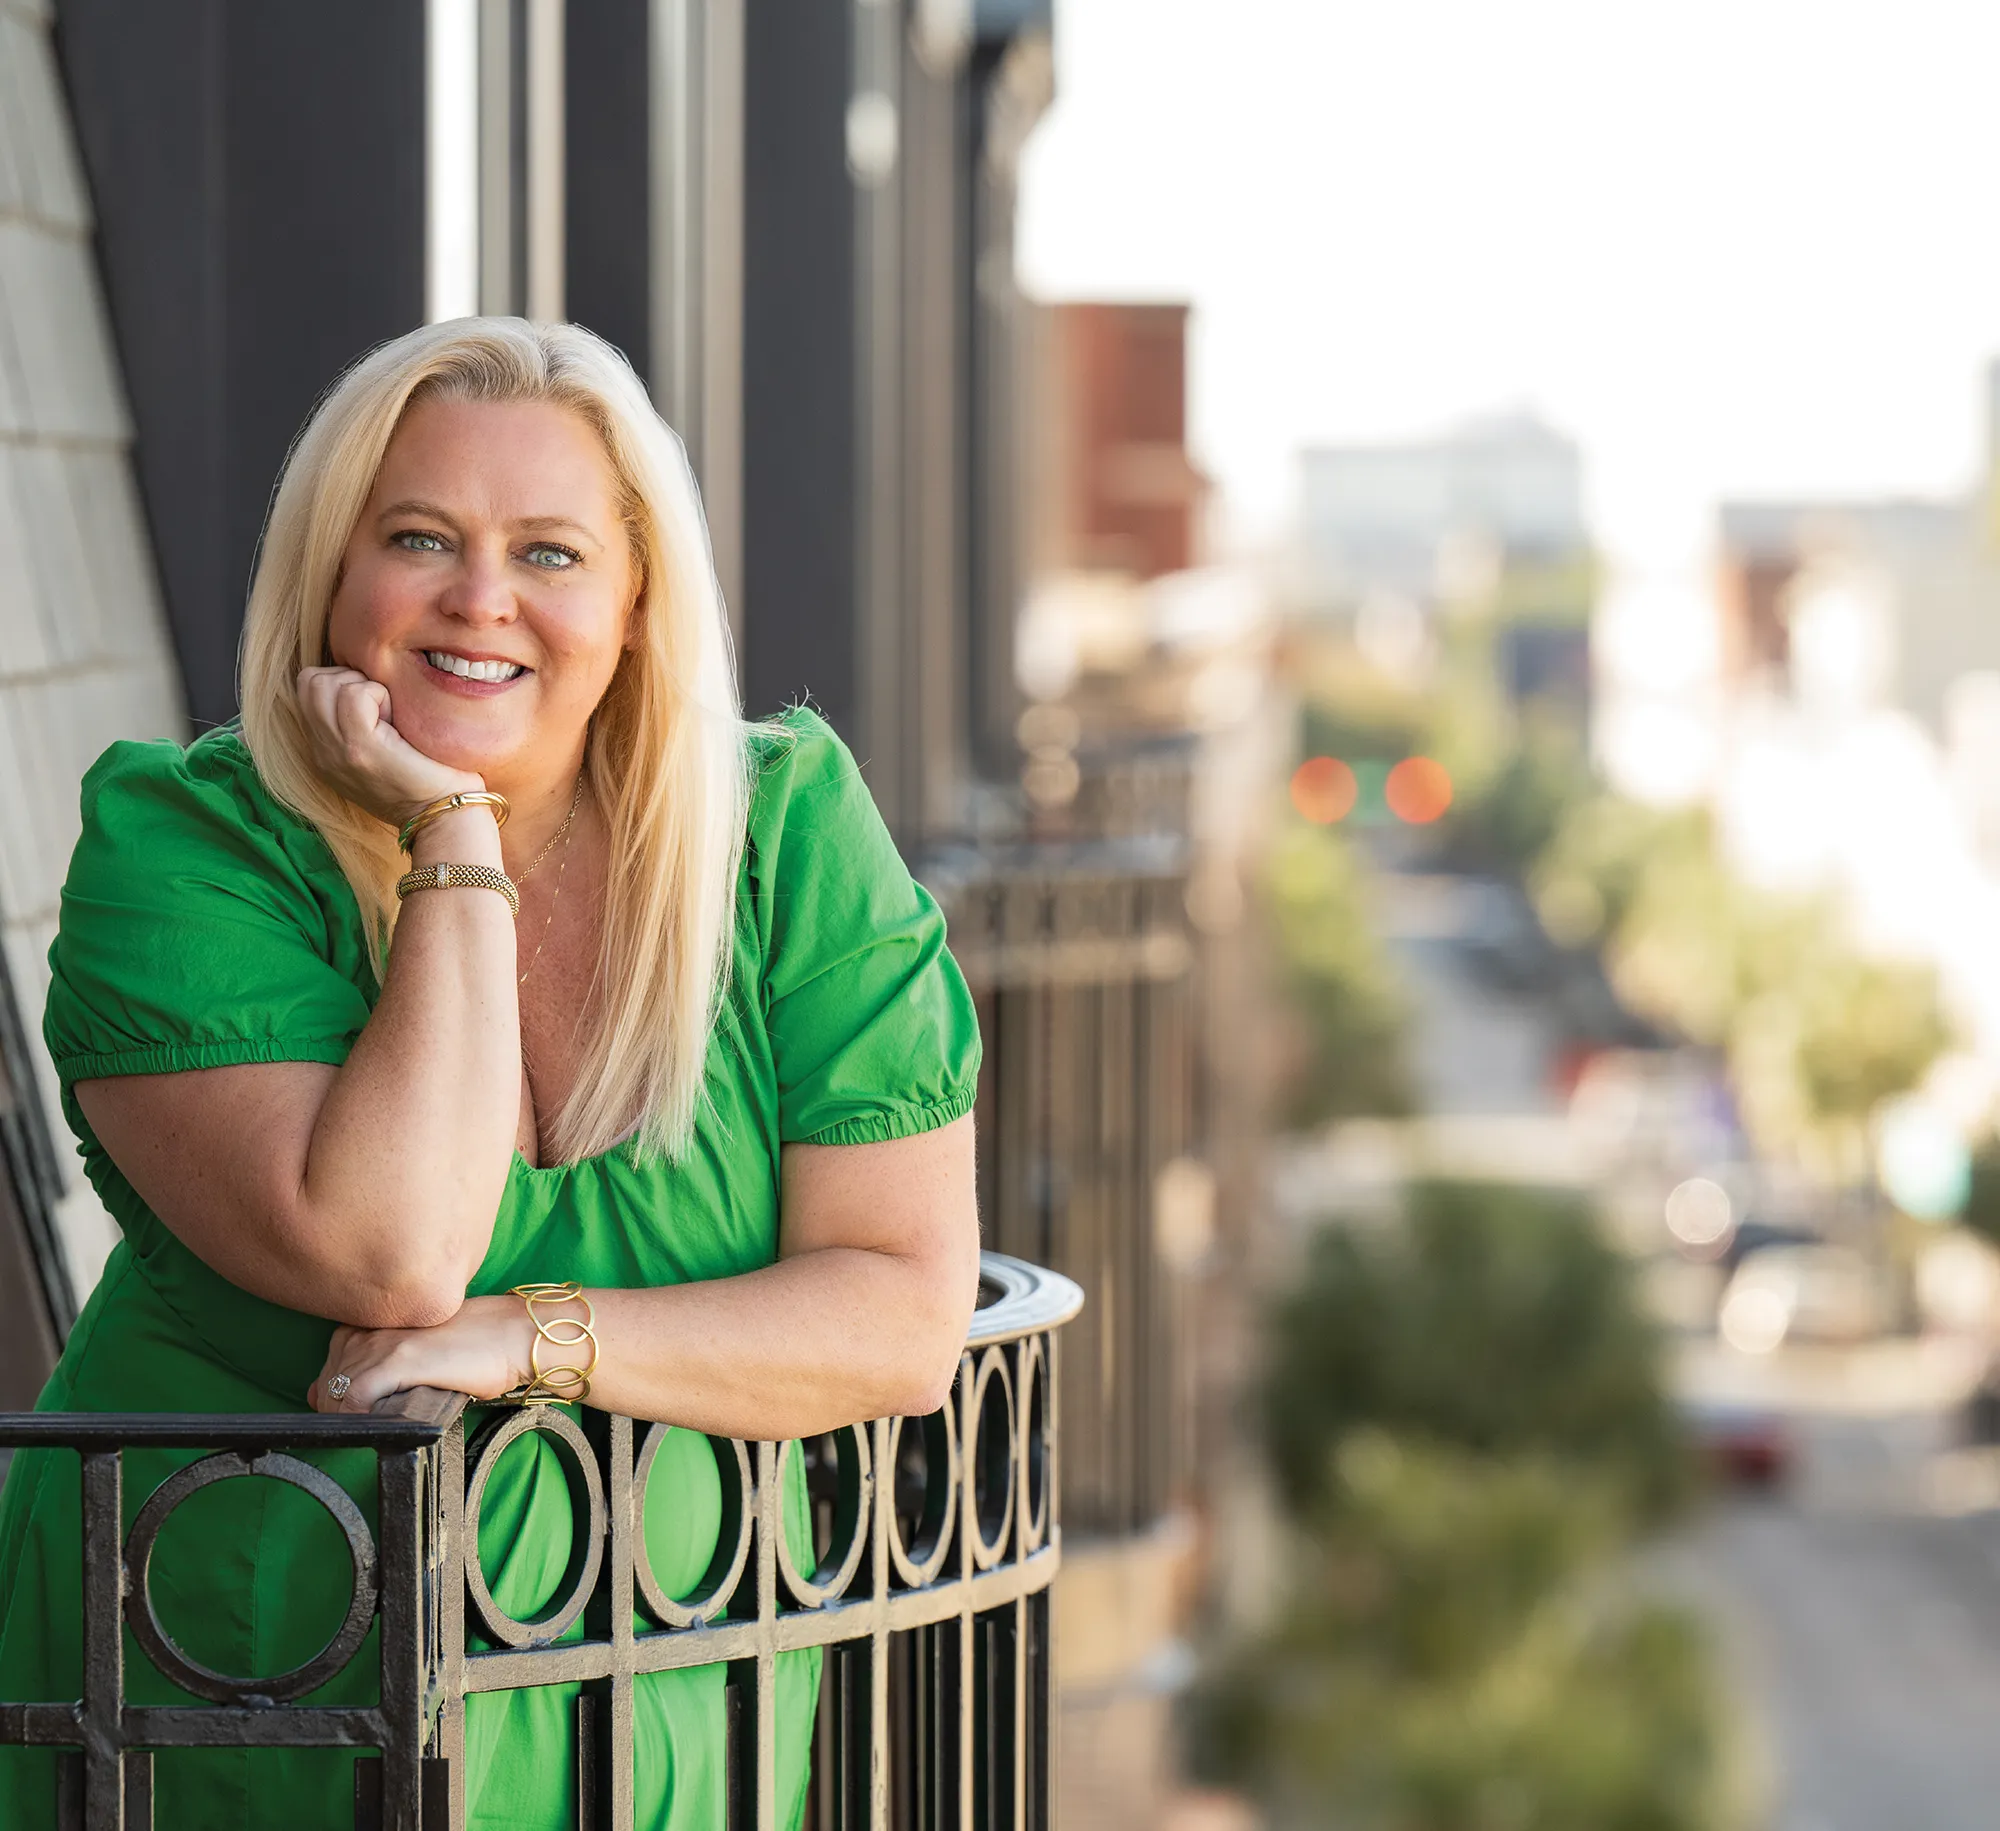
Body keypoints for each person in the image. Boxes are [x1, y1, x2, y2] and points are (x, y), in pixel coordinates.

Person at [0, 318, 982, 1827]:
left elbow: (904, 1311)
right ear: (332, 573)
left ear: (641, 598)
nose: (480, 600)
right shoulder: (188, 853)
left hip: (670, 1722)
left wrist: (536, 1335)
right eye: (418, 537)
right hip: (232, 1722)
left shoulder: (781, 839)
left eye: (552, 552)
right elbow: (394, 1250)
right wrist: (452, 834)